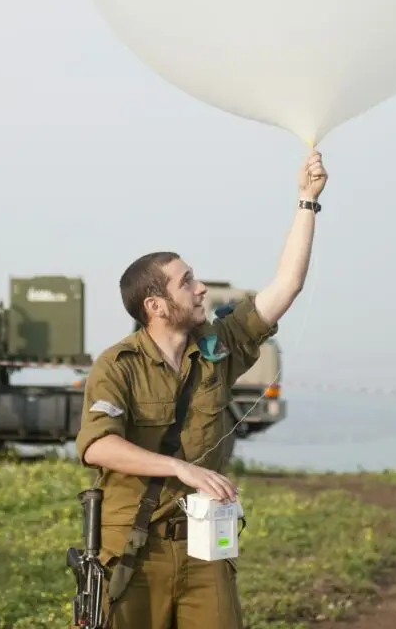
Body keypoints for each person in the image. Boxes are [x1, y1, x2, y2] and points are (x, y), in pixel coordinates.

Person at [75, 149, 328, 629]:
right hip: (133, 548)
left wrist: (306, 201)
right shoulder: (118, 365)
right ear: (156, 304)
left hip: (204, 545)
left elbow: (286, 287)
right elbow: (98, 446)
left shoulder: (217, 346)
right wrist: (180, 469)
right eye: (186, 281)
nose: (201, 289)